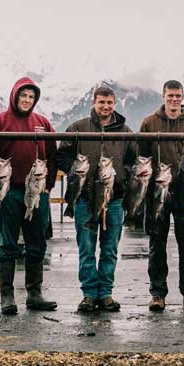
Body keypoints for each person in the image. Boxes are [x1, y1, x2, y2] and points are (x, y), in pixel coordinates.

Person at [0, 77, 58, 315]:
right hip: (9, 191)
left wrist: (50, 183)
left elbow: (53, 154)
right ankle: (7, 296)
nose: (27, 100)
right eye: (23, 95)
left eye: (31, 96)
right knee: (7, 244)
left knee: (37, 242)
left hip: (38, 191)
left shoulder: (42, 123)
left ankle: (34, 294)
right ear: (14, 95)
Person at [57, 84, 135, 314]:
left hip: (114, 199)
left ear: (114, 104)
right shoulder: (78, 127)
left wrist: (122, 177)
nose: (106, 106)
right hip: (84, 198)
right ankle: (89, 294)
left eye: (110, 102)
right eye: (102, 102)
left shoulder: (125, 131)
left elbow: (134, 159)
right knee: (87, 248)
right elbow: (61, 155)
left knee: (110, 248)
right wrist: (77, 171)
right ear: (94, 102)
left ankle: (106, 293)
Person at [139, 80, 184, 312]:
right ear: (163, 96)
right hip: (159, 191)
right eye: (170, 95)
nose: (174, 99)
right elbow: (141, 158)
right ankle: (158, 293)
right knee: (157, 243)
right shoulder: (149, 123)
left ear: (183, 96)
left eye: (178, 95)